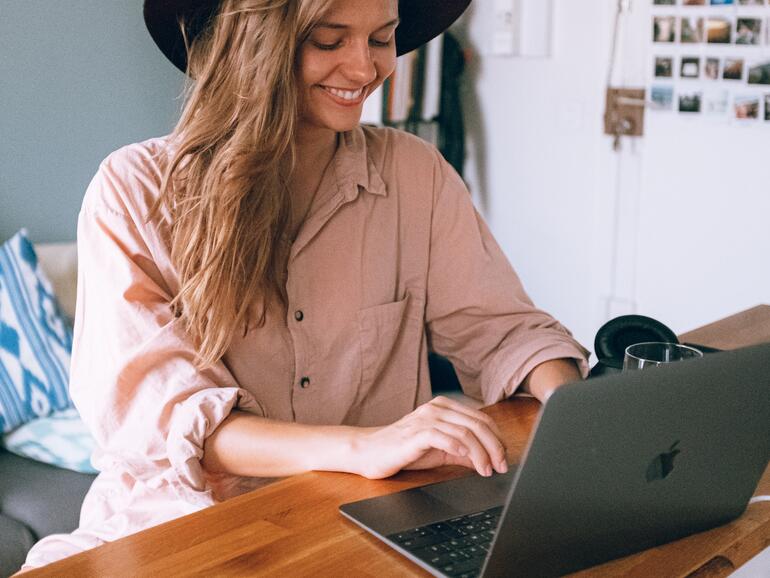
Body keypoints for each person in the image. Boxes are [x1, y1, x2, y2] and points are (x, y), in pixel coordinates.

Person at [22, 0, 588, 570]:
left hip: (360, 528)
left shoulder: (416, 176)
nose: (364, 70)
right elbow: (169, 418)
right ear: (254, 43)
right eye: (329, 41)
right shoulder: (134, 191)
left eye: (381, 39)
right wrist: (365, 445)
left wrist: (583, 415)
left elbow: (504, 331)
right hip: (177, 528)